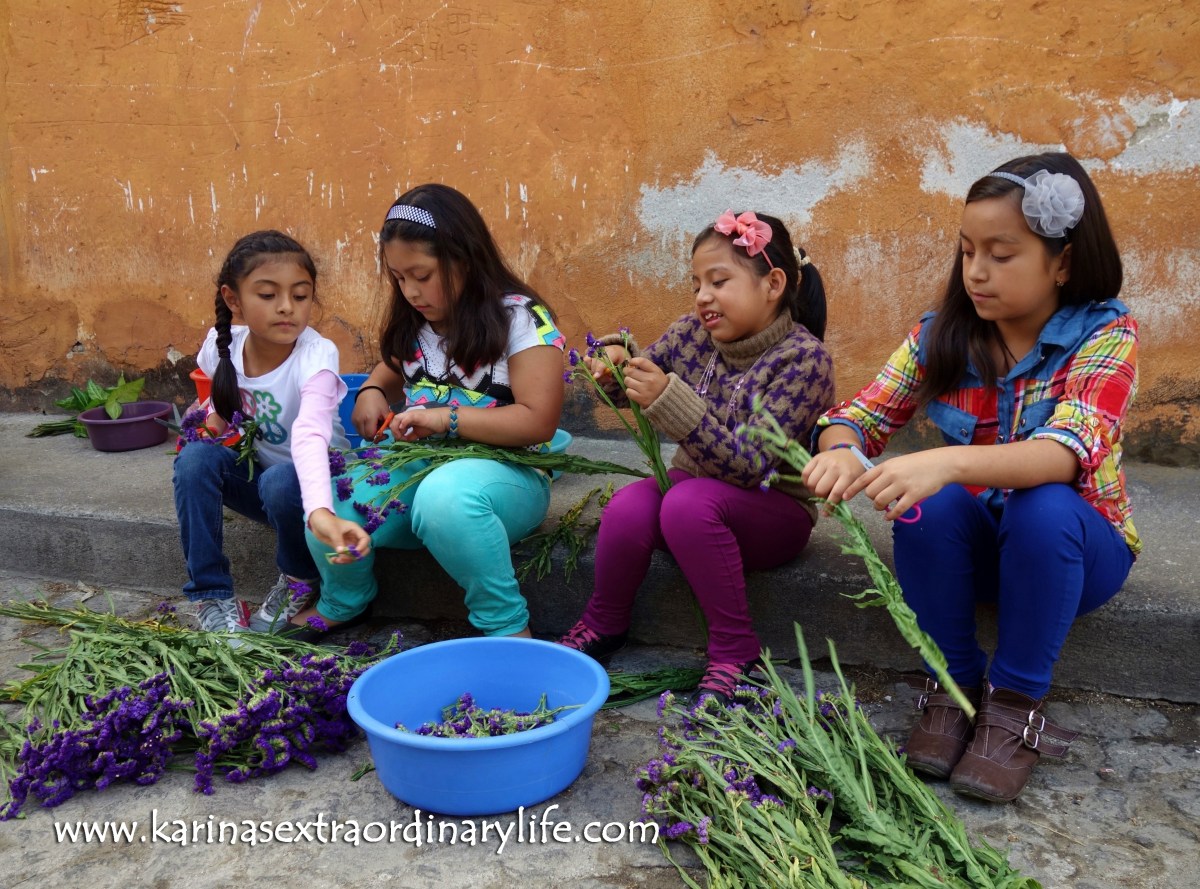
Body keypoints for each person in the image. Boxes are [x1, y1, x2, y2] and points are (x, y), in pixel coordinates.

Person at [801, 152, 1138, 802]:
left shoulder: (1105, 334)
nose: (976, 272)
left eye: (1001, 254)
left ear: (1062, 261)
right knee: (930, 506)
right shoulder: (943, 335)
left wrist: (943, 460)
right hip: (982, 553)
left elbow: (1065, 452)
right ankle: (950, 687)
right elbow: (859, 415)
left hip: (1076, 553)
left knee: (1041, 505)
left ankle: (1013, 709)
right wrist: (841, 448)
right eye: (966, 251)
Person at [558, 210, 835, 704]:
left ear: (773, 284)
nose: (703, 296)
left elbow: (751, 467)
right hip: (692, 503)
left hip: (774, 514)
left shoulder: (804, 360)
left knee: (686, 504)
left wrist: (668, 398)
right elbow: (646, 378)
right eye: (696, 284)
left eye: (719, 281)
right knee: (626, 507)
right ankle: (604, 622)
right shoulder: (692, 334)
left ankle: (735, 651)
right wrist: (619, 364)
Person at [298, 184, 565, 640]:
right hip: (420, 467)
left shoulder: (520, 320)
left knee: (445, 498)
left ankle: (506, 626)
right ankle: (344, 600)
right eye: (399, 278)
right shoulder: (417, 323)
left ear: (463, 257)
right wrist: (373, 392)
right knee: (334, 497)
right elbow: (391, 366)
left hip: (504, 474)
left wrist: (446, 419)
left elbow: (538, 421)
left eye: (422, 274)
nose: (411, 291)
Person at [173, 230, 351, 640]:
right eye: (268, 296)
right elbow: (219, 405)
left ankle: (299, 579)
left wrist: (321, 512)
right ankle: (212, 595)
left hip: (324, 494)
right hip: (270, 490)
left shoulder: (316, 356)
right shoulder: (222, 348)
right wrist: (207, 426)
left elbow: (309, 433)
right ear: (233, 300)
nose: (287, 308)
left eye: (300, 296)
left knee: (280, 479)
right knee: (196, 460)